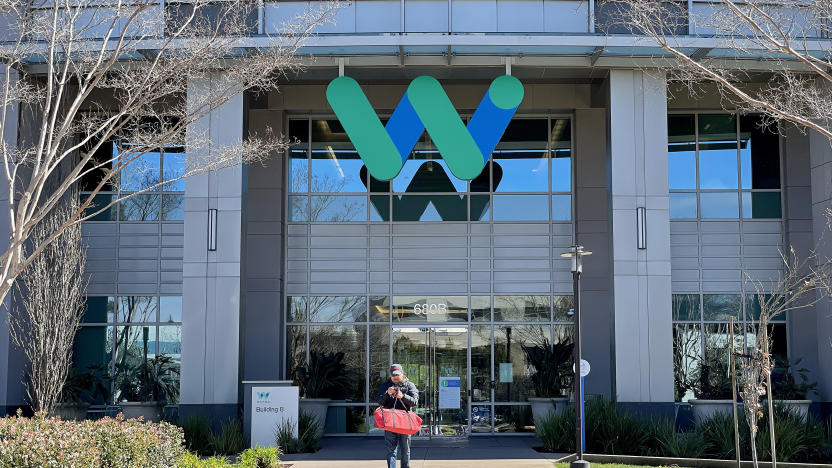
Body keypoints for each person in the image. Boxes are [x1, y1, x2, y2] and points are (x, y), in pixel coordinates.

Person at [376, 364, 419, 468]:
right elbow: (380, 402)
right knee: (391, 451)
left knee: (405, 451)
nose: (395, 377)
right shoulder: (386, 385)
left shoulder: (409, 385)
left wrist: (403, 396)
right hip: (390, 422)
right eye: (393, 375)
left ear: (402, 373)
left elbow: (415, 402)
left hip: (405, 423)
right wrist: (387, 393)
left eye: (397, 375)